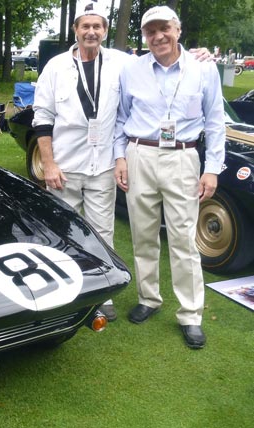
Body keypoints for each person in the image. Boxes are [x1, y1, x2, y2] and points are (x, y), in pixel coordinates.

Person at [113, 5, 225, 349]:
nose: (158, 36)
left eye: (164, 29)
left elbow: (216, 120)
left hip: (183, 156)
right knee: (143, 233)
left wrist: (212, 169)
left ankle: (191, 314)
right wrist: (119, 156)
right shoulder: (132, 69)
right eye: (150, 31)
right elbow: (121, 116)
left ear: (178, 30)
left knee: (183, 240)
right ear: (144, 36)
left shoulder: (203, 68)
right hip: (139, 154)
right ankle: (149, 298)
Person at [32, 3, 134, 321]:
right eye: (85, 26)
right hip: (65, 164)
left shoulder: (121, 63)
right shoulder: (56, 67)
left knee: (102, 230)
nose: (91, 32)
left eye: (98, 26)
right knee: (63, 228)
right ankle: (64, 289)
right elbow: (42, 118)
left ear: (104, 30)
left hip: (102, 164)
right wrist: (48, 164)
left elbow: (159, 64)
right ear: (76, 29)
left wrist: (195, 58)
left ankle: (102, 293)